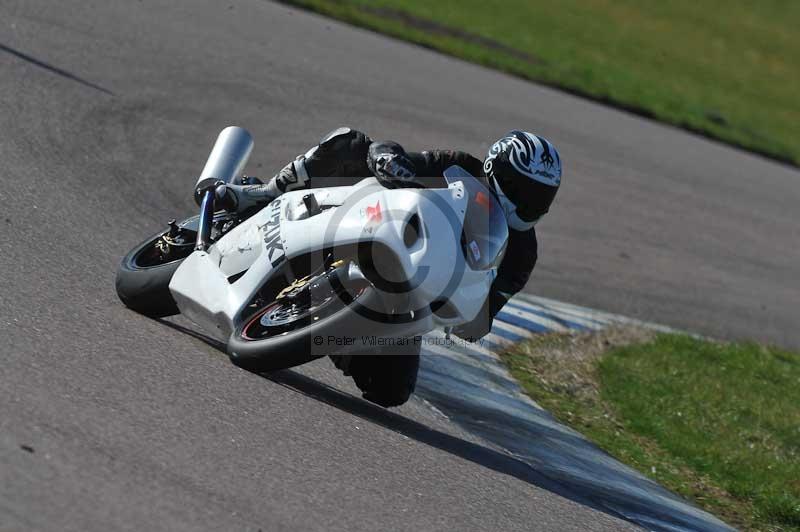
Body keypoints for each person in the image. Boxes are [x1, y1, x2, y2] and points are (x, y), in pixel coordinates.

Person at [211, 127, 562, 407]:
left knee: (391, 392)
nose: (532, 204)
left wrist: (469, 315)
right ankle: (261, 195)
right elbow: (389, 151)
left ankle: (332, 329)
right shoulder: (458, 166)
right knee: (351, 143)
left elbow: (481, 320)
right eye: (524, 190)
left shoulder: (521, 255)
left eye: (541, 197)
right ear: (494, 170)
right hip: (372, 223)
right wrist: (390, 161)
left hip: (412, 297)